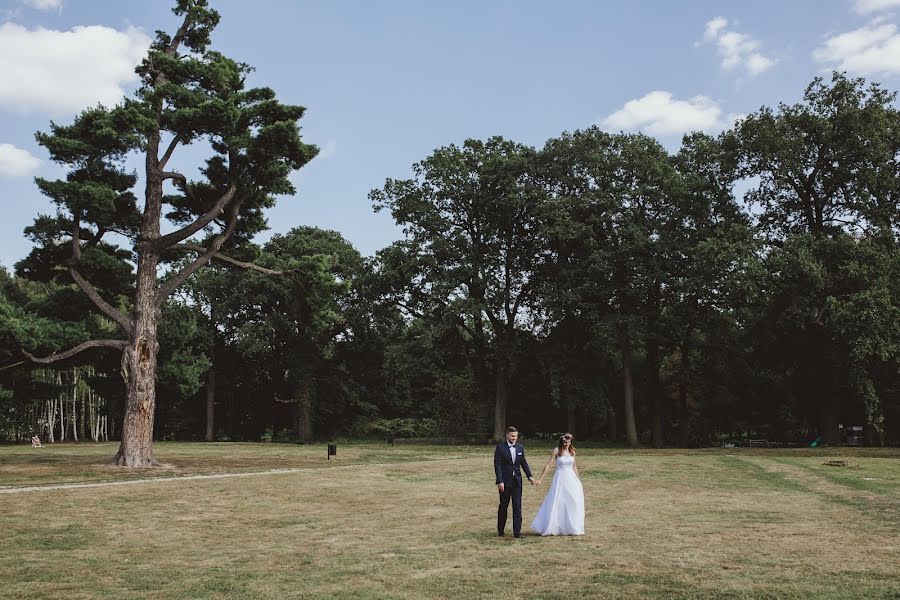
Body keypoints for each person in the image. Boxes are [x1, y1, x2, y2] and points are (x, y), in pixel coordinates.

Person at [530, 432, 585, 536]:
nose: (566, 444)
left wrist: (578, 480)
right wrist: (541, 479)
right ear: (562, 441)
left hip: (571, 478)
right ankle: (555, 525)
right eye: (565, 442)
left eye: (568, 442)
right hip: (560, 477)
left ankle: (571, 526)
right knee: (558, 500)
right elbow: (549, 465)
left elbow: (574, 466)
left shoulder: (572, 451)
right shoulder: (557, 451)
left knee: (572, 500)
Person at [493, 426, 536, 538]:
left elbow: (523, 463)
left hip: (517, 482)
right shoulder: (500, 448)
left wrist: (530, 476)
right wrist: (500, 481)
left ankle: (517, 533)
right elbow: (497, 465)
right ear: (507, 435)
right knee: (503, 506)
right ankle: (500, 531)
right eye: (512, 436)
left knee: (517, 507)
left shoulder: (520, 448)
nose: (514, 438)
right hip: (505, 482)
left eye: (516, 436)